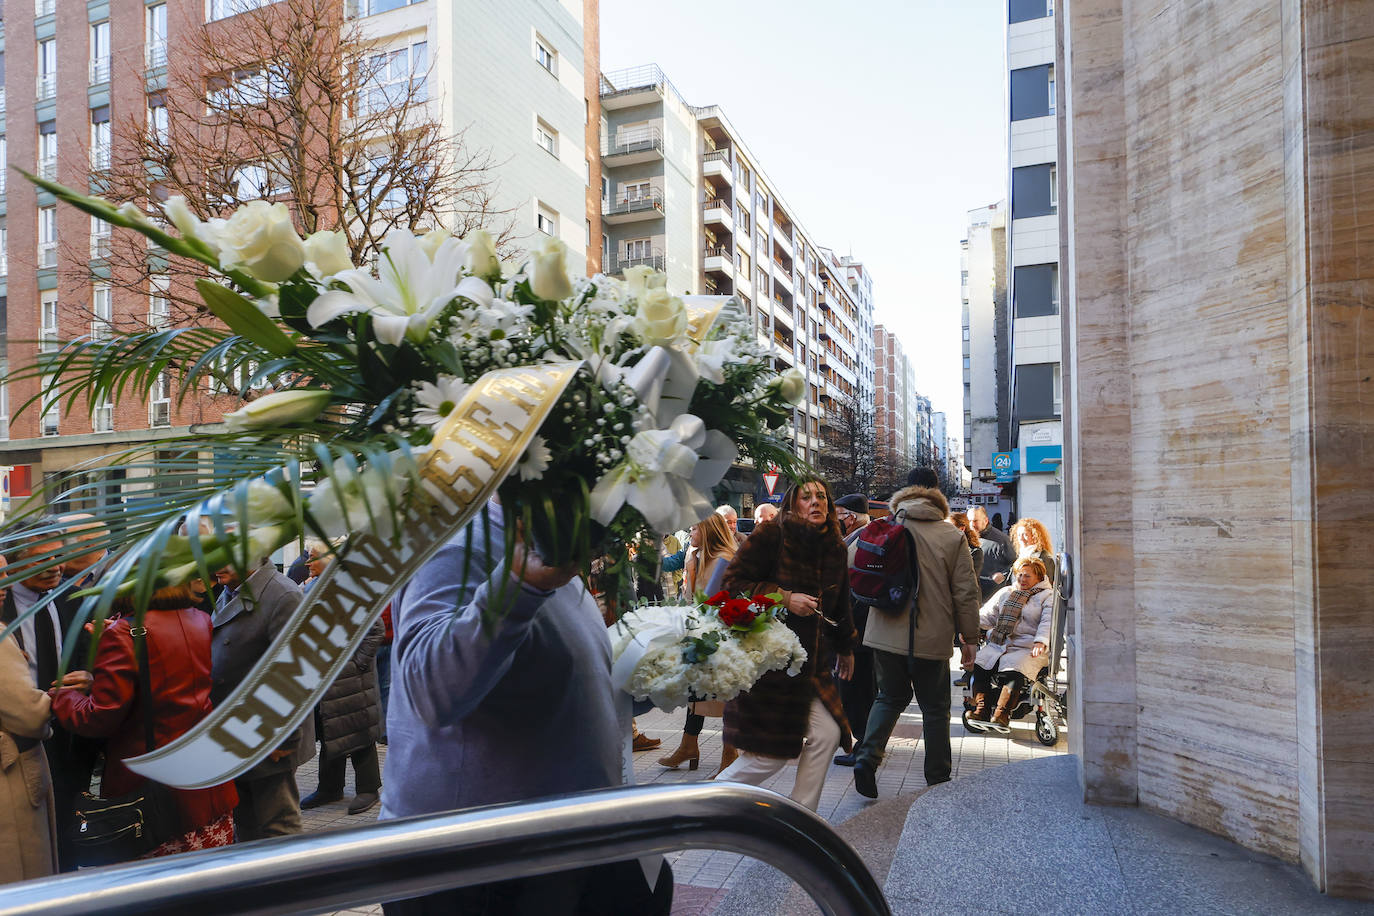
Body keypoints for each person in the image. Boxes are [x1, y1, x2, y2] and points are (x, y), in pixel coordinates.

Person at [381, 502, 672, 915]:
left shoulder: (551, 541)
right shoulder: (456, 544)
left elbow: (561, 674)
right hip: (480, 871)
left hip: (557, 850)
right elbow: (429, 691)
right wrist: (520, 582)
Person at [48, 580, 239, 859]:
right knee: (206, 880)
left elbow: (99, 717)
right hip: (205, 775)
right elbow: (165, 679)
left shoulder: (126, 633)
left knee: (159, 887)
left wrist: (61, 697)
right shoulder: (198, 619)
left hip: (155, 788)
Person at [715, 479, 857, 812]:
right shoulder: (770, 536)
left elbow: (840, 603)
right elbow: (732, 585)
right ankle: (706, 801)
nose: (815, 502)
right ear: (792, 505)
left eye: (821, 496)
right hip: (770, 667)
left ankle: (802, 815)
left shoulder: (835, 546)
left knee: (827, 735)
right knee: (769, 758)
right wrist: (784, 597)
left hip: (813, 667)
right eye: (807, 497)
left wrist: (846, 644)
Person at [852, 468, 981, 798]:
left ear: (906, 491)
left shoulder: (884, 528)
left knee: (888, 697)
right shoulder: (951, 536)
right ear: (937, 494)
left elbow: (852, 565)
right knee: (935, 708)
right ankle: (937, 780)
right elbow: (965, 592)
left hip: (883, 632)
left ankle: (866, 759)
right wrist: (970, 638)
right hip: (931, 637)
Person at [0, 524, 94, 871]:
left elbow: (91, 655)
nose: (56, 566)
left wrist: (90, 677)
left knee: (68, 841)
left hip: (70, 743)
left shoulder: (76, 597)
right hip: (16, 753)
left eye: (59, 555)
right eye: (44, 560)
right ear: (13, 563)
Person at [211, 556, 312, 841]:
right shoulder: (232, 590)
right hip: (238, 731)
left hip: (268, 734)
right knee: (246, 821)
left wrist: (284, 739)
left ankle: (292, 885)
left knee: (278, 825)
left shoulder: (282, 593)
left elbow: (295, 670)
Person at [299, 540, 385, 816]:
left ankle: (368, 789)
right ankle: (330, 787)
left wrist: (357, 665)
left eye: (311, 558)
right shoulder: (313, 586)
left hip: (351, 678)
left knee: (359, 733)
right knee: (329, 731)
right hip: (325, 677)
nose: (306, 563)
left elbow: (375, 629)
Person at [658, 513, 739, 776]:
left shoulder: (724, 558)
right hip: (701, 632)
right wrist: (690, 568)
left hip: (722, 634)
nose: (690, 533)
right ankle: (688, 746)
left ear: (707, 531)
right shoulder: (698, 556)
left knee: (724, 695)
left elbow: (711, 600)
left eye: (694, 529)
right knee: (696, 692)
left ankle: (730, 754)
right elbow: (692, 598)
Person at [0, 550, 59, 884]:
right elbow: (30, 716)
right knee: (23, 882)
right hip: (10, 780)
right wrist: (61, 698)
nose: (3, 585)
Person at [967, 557, 1054, 732]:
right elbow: (987, 616)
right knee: (980, 665)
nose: (1022, 579)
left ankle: (1002, 714)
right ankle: (981, 710)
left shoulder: (1047, 597)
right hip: (1000, 643)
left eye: (1027, 576)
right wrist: (968, 625)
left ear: (1039, 577)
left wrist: (1040, 641)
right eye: (1020, 575)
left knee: (1015, 670)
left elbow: (1048, 622)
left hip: (1028, 646)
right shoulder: (1007, 592)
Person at [831, 493, 874, 767]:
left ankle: (865, 745)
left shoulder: (864, 538)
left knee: (857, 687)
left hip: (858, 623)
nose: (838, 521)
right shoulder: (859, 536)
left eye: (840, 516)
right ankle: (863, 743)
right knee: (854, 686)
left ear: (852, 517)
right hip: (857, 621)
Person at [970, 506, 1013, 601]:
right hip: (973, 596)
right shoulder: (966, 539)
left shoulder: (1002, 541)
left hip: (992, 598)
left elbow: (1016, 564)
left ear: (985, 520)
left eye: (975, 521)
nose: (971, 524)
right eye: (969, 521)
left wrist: (1004, 575)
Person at [1009, 517, 1057, 587]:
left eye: (1025, 535)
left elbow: (1046, 586)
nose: (1021, 539)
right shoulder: (1022, 556)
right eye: (1019, 535)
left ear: (1035, 536)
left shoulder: (1043, 558)